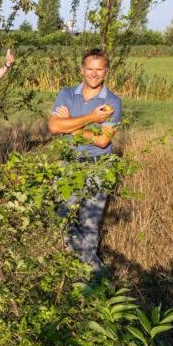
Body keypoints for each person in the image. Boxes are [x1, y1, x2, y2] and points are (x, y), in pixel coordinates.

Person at [47, 48, 122, 274]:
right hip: (68, 162)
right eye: (90, 69)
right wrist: (91, 119)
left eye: (99, 69)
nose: (94, 74)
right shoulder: (67, 94)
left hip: (98, 165)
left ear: (106, 72)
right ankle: (91, 270)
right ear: (82, 70)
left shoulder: (112, 101)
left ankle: (91, 274)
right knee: (61, 217)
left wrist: (69, 125)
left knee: (90, 222)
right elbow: (53, 126)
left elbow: (101, 140)